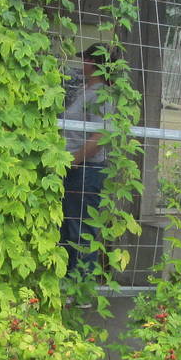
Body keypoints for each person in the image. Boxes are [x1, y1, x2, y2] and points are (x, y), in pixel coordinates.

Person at [60, 43, 118, 275]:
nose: (81, 63)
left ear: (93, 63)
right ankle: (70, 283)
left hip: (86, 170)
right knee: (69, 228)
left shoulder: (102, 95)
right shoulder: (86, 90)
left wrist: (74, 160)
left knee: (81, 230)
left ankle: (81, 286)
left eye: (84, 58)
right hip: (74, 168)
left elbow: (100, 136)